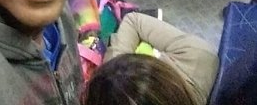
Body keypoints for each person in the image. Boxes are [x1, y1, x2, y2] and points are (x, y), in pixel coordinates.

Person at [83, 12, 218, 105]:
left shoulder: (197, 53)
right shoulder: (199, 54)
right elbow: (133, 21)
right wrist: (114, 68)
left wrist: (114, 58)